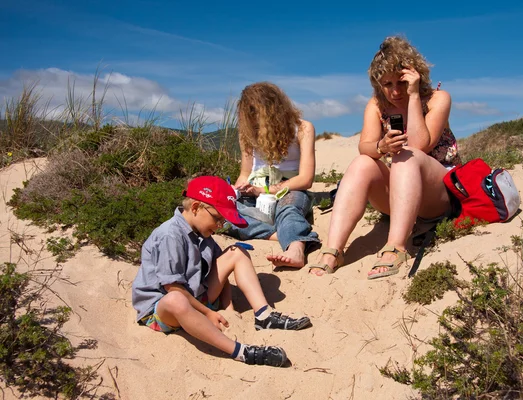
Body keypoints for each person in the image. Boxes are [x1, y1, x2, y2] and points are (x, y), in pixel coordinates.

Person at [308, 35, 461, 279]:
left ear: (415, 75)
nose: (394, 91)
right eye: (387, 84)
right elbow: (364, 147)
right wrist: (382, 146)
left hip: (438, 194)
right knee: (363, 163)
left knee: (406, 154)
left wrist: (413, 97)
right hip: (401, 196)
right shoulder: (377, 105)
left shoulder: (437, 99)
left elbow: (421, 144)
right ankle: (333, 250)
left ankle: (396, 247)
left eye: (400, 82)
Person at [132, 176, 311, 368]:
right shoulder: (170, 235)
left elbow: (220, 273)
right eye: (217, 219)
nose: (219, 226)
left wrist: (228, 308)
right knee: (176, 299)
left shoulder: (203, 231)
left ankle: (264, 315)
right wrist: (208, 313)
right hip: (164, 309)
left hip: (197, 297)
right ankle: (240, 351)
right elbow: (172, 288)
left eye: (223, 221)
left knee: (236, 252)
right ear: (195, 207)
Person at [227, 82, 320, 268]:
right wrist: (234, 192)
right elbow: (245, 174)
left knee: (288, 209)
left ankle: (295, 248)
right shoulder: (247, 133)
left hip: (289, 186)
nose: (254, 122)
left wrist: (264, 190)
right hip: (254, 189)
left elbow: (306, 179)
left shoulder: (303, 128)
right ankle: (280, 233)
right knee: (224, 215)